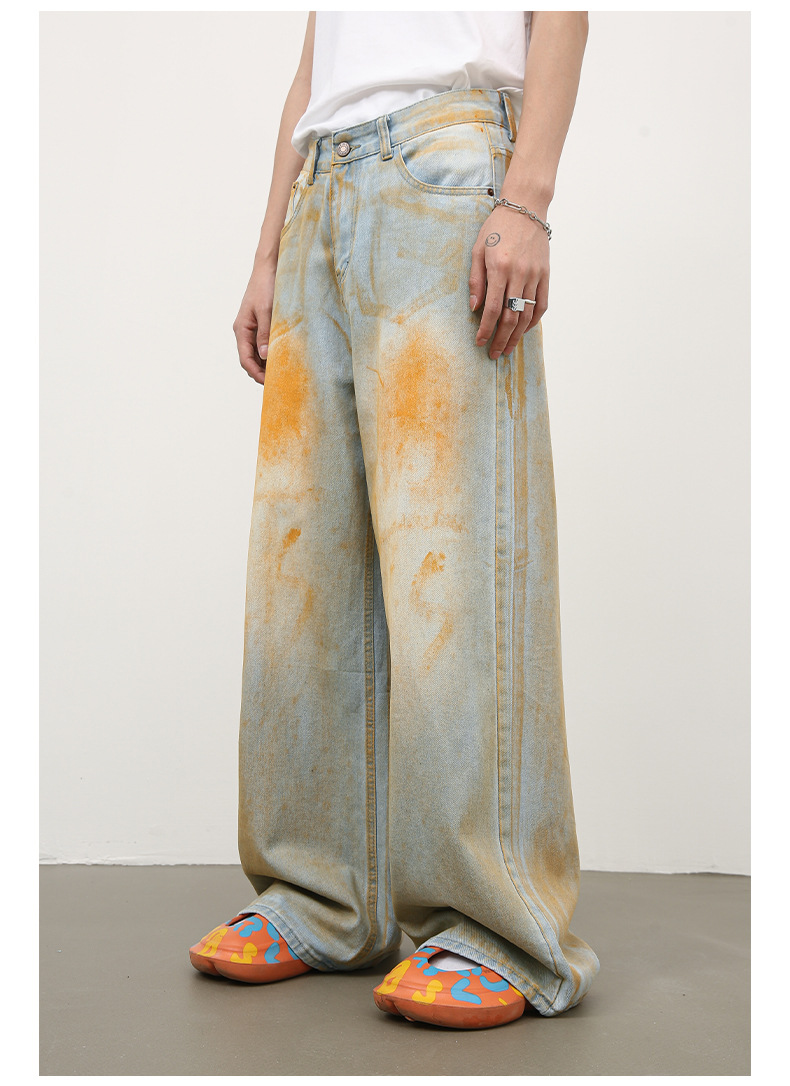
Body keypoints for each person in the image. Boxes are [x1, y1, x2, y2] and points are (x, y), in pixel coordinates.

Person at [189, 10, 598, 1031]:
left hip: (444, 165)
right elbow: (315, 62)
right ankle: (323, 897)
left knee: (454, 558)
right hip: (322, 183)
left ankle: (499, 926)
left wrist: (528, 197)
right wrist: (268, 248)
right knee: (306, 568)